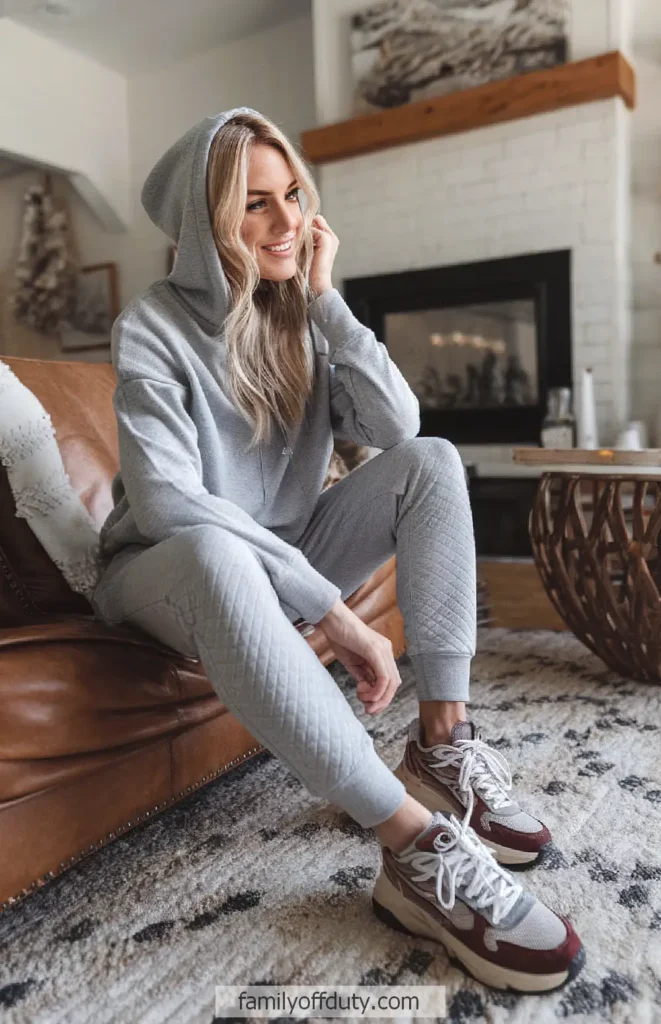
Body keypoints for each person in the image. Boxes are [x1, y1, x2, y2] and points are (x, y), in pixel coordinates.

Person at [90, 108, 584, 993]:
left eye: (293, 198)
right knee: (214, 552)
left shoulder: (303, 314)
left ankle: (443, 741)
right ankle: (411, 844)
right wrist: (327, 606)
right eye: (255, 206)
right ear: (205, 225)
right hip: (165, 571)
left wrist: (326, 298)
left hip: (281, 550)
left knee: (430, 463)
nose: (287, 224)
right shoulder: (151, 327)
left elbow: (401, 427)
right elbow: (168, 502)